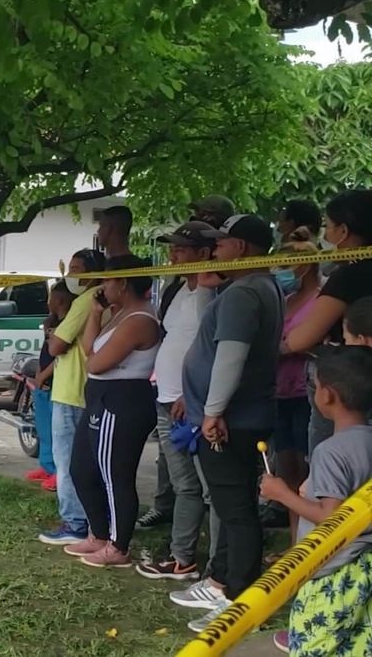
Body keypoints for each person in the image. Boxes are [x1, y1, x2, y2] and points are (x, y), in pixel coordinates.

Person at [171, 214, 283, 633]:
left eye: (221, 243)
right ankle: (219, 581)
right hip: (236, 415)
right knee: (227, 503)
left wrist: (213, 412)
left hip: (232, 420)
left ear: (242, 247)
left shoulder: (245, 294)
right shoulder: (252, 287)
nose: (214, 250)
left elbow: (230, 355)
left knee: (236, 511)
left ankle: (241, 600)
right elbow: (211, 335)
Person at [258, 346, 372, 655]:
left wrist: (280, 493)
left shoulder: (331, 451)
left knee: (313, 647)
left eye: (316, 385)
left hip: (332, 574)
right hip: (364, 570)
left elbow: (332, 518)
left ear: (328, 395)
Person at [131, 222, 220, 581]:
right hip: (166, 399)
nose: (172, 255)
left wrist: (190, 393)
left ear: (202, 254)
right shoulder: (178, 288)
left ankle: (217, 566)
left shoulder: (211, 292)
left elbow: (211, 347)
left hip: (191, 402)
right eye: (172, 248)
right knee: (185, 484)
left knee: (209, 487)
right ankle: (181, 557)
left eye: (181, 249)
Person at [64, 255, 160, 568]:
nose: (103, 286)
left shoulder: (140, 320)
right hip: (100, 396)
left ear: (124, 282)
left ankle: (118, 545)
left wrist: (94, 355)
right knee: (82, 468)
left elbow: (95, 362)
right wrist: (95, 313)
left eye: (108, 280)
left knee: (114, 474)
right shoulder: (119, 314)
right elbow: (89, 350)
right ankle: (100, 534)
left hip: (122, 399)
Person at [282, 189, 372, 454]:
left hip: (348, 387)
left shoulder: (348, 277)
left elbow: (301, 339)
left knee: (332, 468)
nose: (326, 237)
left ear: (343, 232)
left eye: (328, 228)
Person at [39, 249, 107, 545]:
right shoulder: (104, 300)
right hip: (85, 388)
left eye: (79, 269)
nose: (73, 276)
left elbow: (56, 346)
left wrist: (55, 336)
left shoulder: (85, 301)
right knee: (87, 461)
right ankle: (91, 520)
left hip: (72, 390)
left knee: (66, 461)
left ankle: (75, 521)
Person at [270, 228, 323, 543]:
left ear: (305, 265)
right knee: (287, 472)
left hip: (309, 394)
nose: (281, 273)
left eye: (286, 266)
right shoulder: (286, 298)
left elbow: (301, 343)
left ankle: (313, 543)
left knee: (310, 474)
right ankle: (295, 544)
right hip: (280, 392)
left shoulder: (322, 299)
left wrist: (284, 346)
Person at [26, 282, 75, 491]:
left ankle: (58, 472)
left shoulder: (68, 325)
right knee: (44, 429)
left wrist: (44, 375)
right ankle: (46, 466)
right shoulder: (52, 323)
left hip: (55, 382)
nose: (48, 303)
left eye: (51, 298)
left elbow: (59, 356)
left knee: (58, 433)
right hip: (42, 383)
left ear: (61, 300)